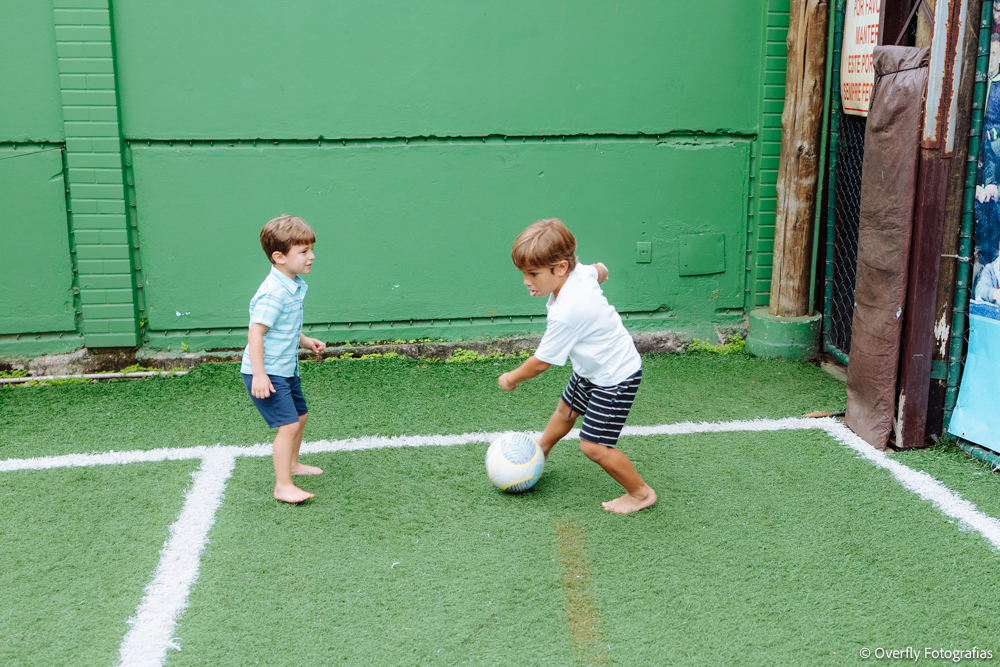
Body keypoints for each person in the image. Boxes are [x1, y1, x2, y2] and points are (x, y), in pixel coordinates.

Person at [498, 218, 656, 514]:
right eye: (523, 273)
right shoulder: (577, 273)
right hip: (591, 368)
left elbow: (541, 362)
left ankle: (640, 493)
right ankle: (539, 452)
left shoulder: (567, 312)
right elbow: (598, 270)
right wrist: (603, 273)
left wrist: (511, 377)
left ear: (559, 268)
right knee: (565, 409)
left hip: (615, 376)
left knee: (593, 447)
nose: (526, 281)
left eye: (533, 273)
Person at [241, 215, 327, 503]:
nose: (311, 256)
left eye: (311, 249)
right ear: (279, 257)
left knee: (300, 416)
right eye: (303, 252)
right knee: (288, 425)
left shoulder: (292, 284)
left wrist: (304, 340)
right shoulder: (274, 293)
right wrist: (260, 374)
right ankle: (282, 485)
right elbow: (256, 333)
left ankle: (292, 464)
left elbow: (284, 325)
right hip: (268, 371)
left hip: (285, 368)